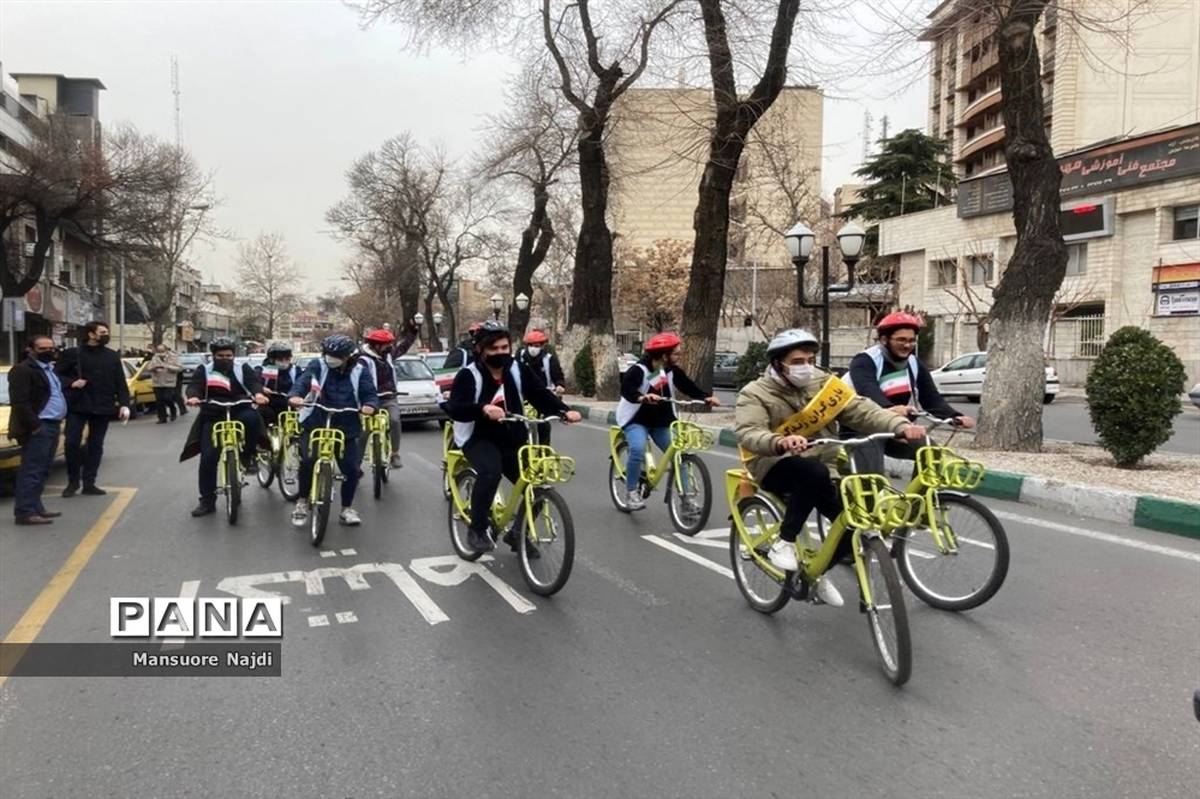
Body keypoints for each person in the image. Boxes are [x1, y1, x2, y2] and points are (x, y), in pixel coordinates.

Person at [734, 329, 926, 606]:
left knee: (853, 521)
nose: (806, 367)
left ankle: (815, 575)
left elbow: (861, 410)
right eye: (798, 361)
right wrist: (780, 441)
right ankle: (784, 543)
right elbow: (749, 432)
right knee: (813, 473)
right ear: (778, 363)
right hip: (772, 463)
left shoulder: (825, 384)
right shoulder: (755, 393)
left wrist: (900, 426)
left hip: (822, 464)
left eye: (810, 360)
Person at [444, 321, 581, 555]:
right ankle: (477, 529)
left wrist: (562, 411)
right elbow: (455, 408)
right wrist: (482, 409)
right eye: (494, 349)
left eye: (504, 347)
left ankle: (518, 533)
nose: (500, 353)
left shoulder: (516, 369)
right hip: (478, 437)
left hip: (512, 436)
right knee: (490, 471)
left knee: (537, 482)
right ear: (481, 350)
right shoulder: (469, 375)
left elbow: (538, 394)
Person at [845, 312, 974, 474]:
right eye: (901, 340)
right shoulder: (864, 360)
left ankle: (921, 499)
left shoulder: (913, 363)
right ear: (884, 340)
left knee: (930, 452)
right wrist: (890, 408)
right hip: (860, 427)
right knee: (872, 477)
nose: (907, 345)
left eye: (911, 340)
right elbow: (868, 390)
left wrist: (955, 416)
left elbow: (931, 398)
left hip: (893, 427)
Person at [615, 332, 719, 511]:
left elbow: (688, 387)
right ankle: (631, 493)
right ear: (664, 355)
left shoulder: (670, 371)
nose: (679, 356)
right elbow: (627, 390)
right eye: (676, 353)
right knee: (638, 449)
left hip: (662, 421)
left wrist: (705, 397)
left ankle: (687, 500)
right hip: (636, 419)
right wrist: (642, 397)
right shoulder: (639, 370)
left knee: (679, 455)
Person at [288, 334, 379, 528]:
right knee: (309, 461)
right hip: (315, 421)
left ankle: (346, 508)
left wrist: (370, 405)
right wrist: (295, 396)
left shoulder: (360, 371)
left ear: (348, 356)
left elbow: (369, 393)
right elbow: (303, 382)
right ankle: (302, 502)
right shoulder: (317, 366)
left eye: (336, 355)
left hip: (346, 425)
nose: (331, 358)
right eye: (328, 354)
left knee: (351, 469)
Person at [179, 337, 269, 517]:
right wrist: (193, 397)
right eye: (221, 355)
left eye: (229, 355)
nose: (225, 358)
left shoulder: (242, 368)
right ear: (213, 355)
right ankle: (207, 501)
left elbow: (253, 383)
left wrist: (258, 394)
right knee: (208, 458)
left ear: (234, 355)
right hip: (213, 413)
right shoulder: (204, 369)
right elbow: (195, 386)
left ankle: (248, 455)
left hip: (240, 408)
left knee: (253, 419)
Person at [55, 321, 131, 497]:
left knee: (95, 446)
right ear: (91, 334)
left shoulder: (112, 356)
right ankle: (73, 482)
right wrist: (71, 383)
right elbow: (56, 375)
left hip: (102, 406)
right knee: (71, 443)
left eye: (106, 332)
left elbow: (120, 382)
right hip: (78, 406)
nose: (106, 335)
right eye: (102, 332)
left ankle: (89, 482)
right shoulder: (73, 354)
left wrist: (124, 404)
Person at [8, 337, 67, 525]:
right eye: (42, 348)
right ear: (31, 349)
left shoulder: (50, 369)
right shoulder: (23, 370)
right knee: (32, 470)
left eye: (51, 347)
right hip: (39, 426)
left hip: (53, 425)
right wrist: (35, 426)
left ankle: (36, 507)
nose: (48, 351)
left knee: (43, 470)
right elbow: (20, 402)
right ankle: (25, 511)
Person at [359, 320, 420, 468]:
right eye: (386, 344)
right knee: (364, 430)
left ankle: (395, 454)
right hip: (370, 400)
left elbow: (403, 347)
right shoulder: (362, 360)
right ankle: (357, 462)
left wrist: (413, 331)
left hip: (389, 397)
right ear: (375, 345)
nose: (389, 347)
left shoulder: (388, 356)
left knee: (394, 420)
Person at [516, 328, 567, 444]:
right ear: (527, 345)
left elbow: (557, 375)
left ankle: (545, 453)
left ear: (543, 346)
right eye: (531, 345)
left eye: (537, 345)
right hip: (522, 396)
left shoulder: (549, 359)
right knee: (519, 427)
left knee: (544, 426)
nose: (534, 348)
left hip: (542, 396)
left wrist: (559, 385)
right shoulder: (520, 356)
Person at [255, 341, 301, 428]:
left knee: (296, 425)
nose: (284, 362)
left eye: (287, 359)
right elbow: (254, 382)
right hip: (268, 403)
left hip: (288, 404)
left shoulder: (295, 370)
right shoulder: (262, 370)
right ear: (272, 359)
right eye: (280, 359)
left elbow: (302, 384)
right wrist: (262, 389)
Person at [147, 344, 183, 424]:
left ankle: (173, 410)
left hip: (169, 382)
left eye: (162, 351)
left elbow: (180, 368)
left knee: (167, 398)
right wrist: (154, 368)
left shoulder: (173, 357)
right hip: (157, 382)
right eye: (159, 351)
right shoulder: (155, 357)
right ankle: (162, 418)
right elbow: (149, 368)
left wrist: (169, 367)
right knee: (159, 401)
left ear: (166, 350)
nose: (160, 353)